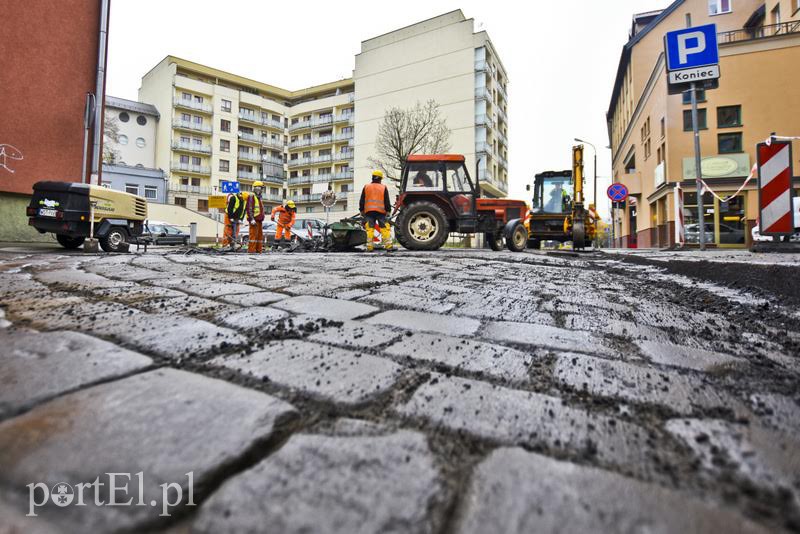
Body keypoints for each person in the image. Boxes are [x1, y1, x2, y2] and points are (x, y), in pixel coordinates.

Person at [359, 170, 393, 252]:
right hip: (381, 212)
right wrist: (388, 210)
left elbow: (362, 200)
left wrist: (361, 210)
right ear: (380, 178)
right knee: (384, 228)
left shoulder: (366, 187)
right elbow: (386, 200)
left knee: (370, 229)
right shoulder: (383, 187)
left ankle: (369, 247)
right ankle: (388, 246)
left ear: (372, 177)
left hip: (369, 212)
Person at [246, 181, 266, 253]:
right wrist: (251, 219)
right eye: (261, 188)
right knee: (253, 236)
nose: (262, 190)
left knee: (259, 236)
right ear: (257, 188)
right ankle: (251, 250)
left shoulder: (259, 197)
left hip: (259, 220)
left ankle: (258, 250)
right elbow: (249, 208)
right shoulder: (252, 196)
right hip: (254, 219)